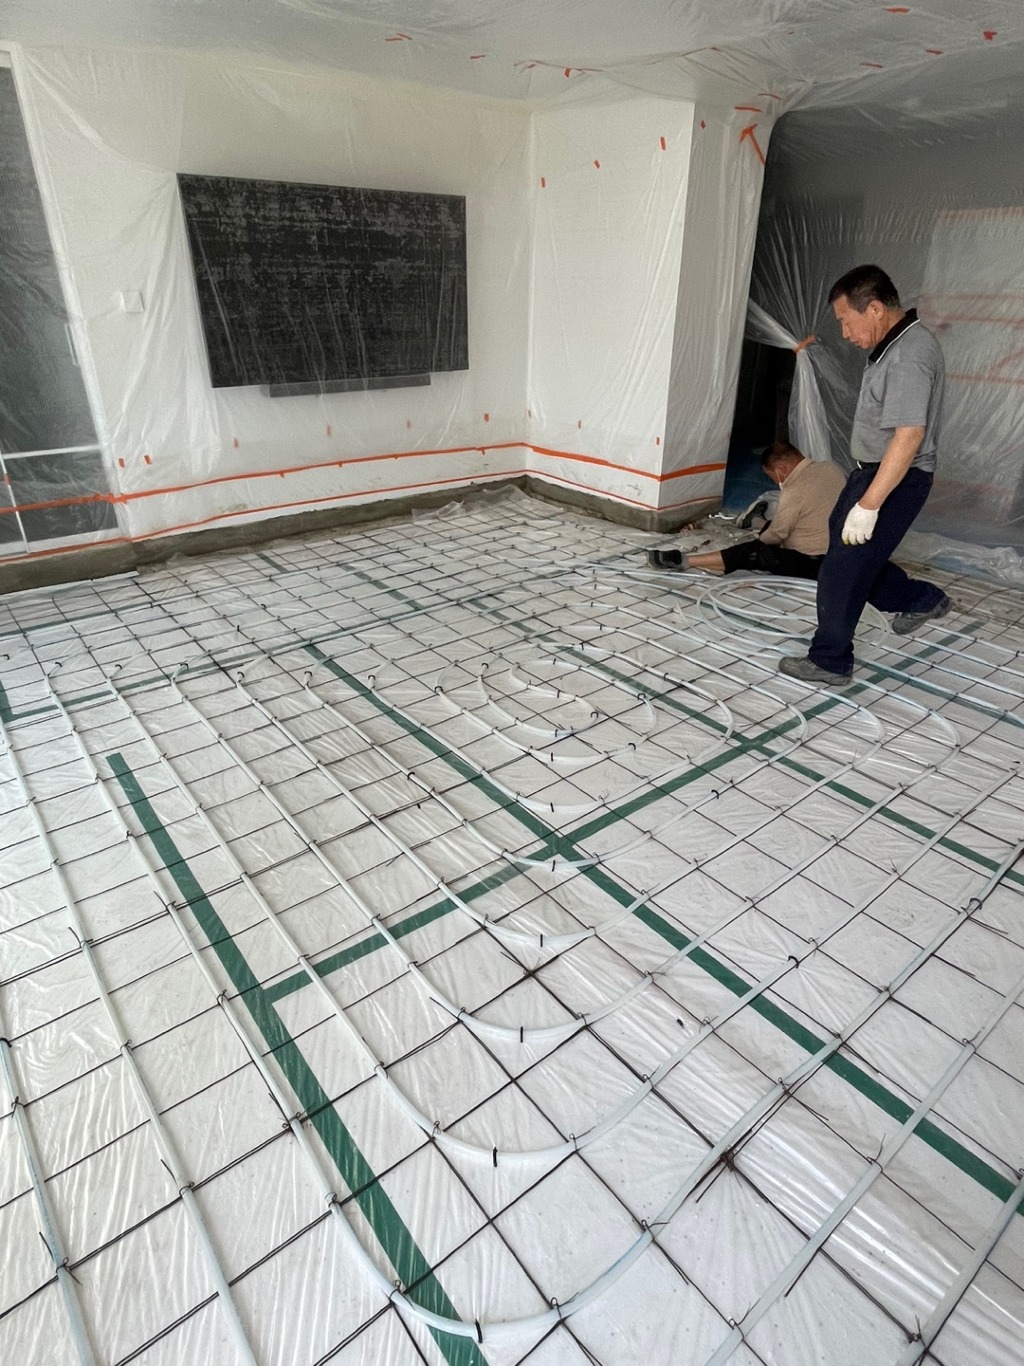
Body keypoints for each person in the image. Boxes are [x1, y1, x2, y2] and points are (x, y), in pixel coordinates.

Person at [779, 264, 952, 686]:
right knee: (850, 556)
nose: (845, 333)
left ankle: (829, 661)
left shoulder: (909, 355)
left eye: (845, 320)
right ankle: (920, 599)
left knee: (841, 570)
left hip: (896, 478)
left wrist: (870, 504)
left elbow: (908, 436)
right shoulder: (896, 346)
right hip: (874, 472)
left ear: (874, 309)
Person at [647, 441, 845, 578]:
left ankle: (684, 560)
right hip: (842, 554)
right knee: (778, 526)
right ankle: (755, 521)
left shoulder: (794, 491)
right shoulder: (831, 468)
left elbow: (776, 535)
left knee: (753, 552)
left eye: (772, 477)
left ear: (781, 469)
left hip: (814, 563)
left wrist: (755, 543)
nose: (775, 482)